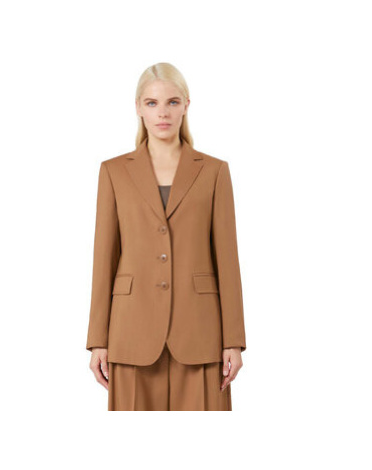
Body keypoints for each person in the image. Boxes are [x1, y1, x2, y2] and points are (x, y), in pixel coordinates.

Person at [86, 62, 247, 411]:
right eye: (152, 103)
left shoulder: (214, 171)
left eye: (172, 102)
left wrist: (233, 339)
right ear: (138, 107)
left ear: (186, 105)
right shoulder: (113, 172)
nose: (163, 113)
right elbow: (104, 258)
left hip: (201, 333)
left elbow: (227, 259)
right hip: (131, 331)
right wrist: (97, 339)